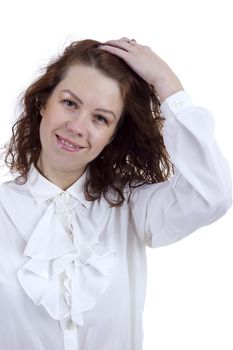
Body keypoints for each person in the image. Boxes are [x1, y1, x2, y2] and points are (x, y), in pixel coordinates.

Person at [0, 37, 231, 350]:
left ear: (112, 136)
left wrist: (165, 82)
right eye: (69, 103)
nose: (77, 127)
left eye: (100, 118)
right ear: (43, 103)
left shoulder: (132, 206)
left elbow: (213, 193)